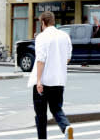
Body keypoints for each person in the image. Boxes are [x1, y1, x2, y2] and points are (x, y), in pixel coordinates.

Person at [29, 11, 74, 139]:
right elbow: (68, 58)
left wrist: (38, 81)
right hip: (59, 80)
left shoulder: (41, 37)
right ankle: (66, 127)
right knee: (56, 109)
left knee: (41, 115)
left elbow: (40, 60)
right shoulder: (65, 36)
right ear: (53, 21)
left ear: (43, 23)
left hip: (44, 81)